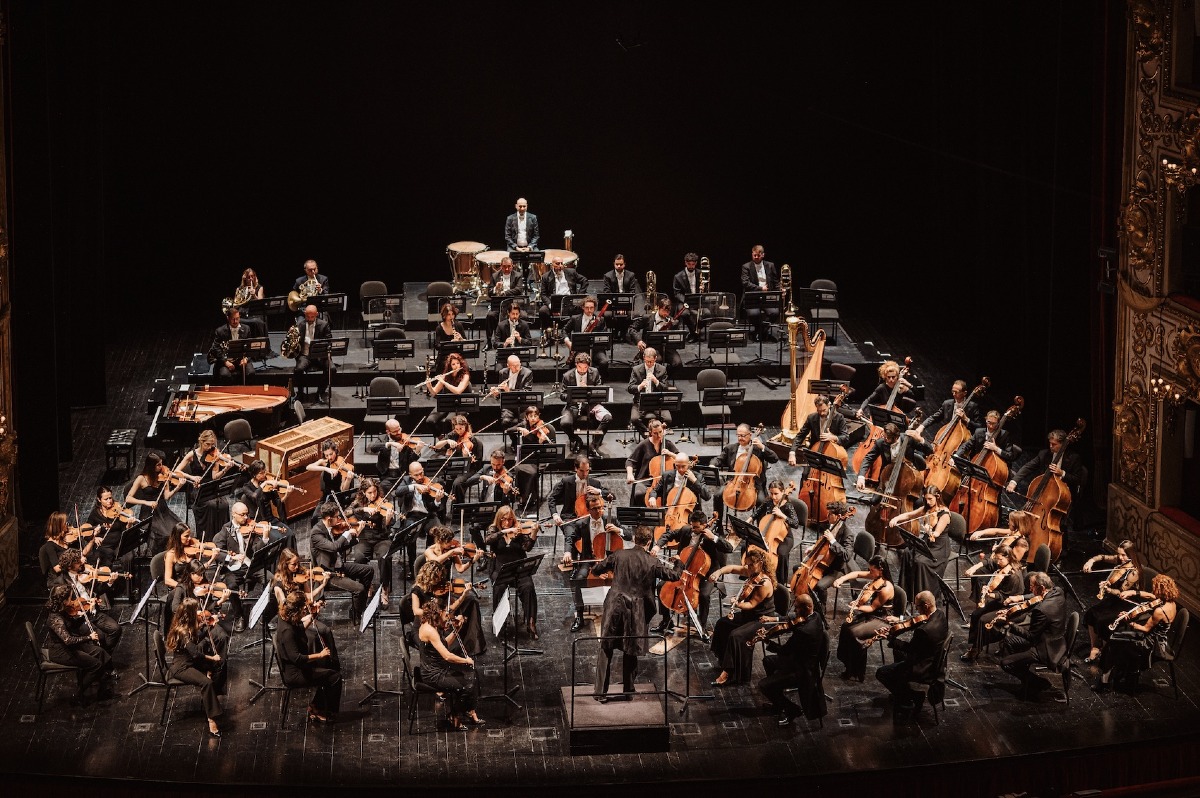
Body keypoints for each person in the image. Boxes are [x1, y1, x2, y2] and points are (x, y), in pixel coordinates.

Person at [591, 526, 681, 702]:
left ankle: (600, 692)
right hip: (636, 610)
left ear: (634, 540)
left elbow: (597, 569)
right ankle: (628, 690)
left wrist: (603, 571)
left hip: (615, 606)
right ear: (649, 543)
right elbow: (674, 575)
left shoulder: (619, 554)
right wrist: (678, 561)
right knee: (630, 649)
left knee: (606, 647)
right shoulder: (652, 561)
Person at [1095, 573, 1179, 692]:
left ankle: (1105, 680)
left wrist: (1129, 620)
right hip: (1160, 638)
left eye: (1155, 588)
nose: (1153, 590)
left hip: (1150, 643)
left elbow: (1145, 629)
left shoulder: (1160, 611)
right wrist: (1133, 592)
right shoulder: (1171, 603)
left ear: (1160, 590)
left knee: (1113, 641)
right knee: (1118, 638)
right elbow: (1150, 596)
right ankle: (1115, 673)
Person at [653, 509, 732, 635]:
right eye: (691, 525)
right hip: (684, 567)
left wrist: (714, 538)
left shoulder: (710, 537)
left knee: (704, 595)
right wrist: (657, 546)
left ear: (704, 525)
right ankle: (666, 621)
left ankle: (702, 626)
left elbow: (729, 548)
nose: (692, 528)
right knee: (661, 586)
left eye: (696, 527)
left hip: (706, 572)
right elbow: (668, 535)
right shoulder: (686, 530)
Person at [707, 546, 776, 685]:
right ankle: (724, 660)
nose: (748, 568)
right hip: (749, 615)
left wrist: (737, 603)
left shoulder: (764, 583)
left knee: (736, 635)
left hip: (762, 619)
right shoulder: (752, 572)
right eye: (747, 564)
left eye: (751, 565)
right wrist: (718, 572)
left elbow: (751, 604)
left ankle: (731, 674)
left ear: (760, 563)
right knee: (722, 623)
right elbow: (732, 568)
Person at [875, 590, 949, 717]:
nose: (916, 609)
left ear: (926, 606)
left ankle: (911, 697)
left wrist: (890, 639)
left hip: (924, 667)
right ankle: (902, 688)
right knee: (897, 656)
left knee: (882, 673)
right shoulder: (940, 615)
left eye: (917, 606)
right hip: (934, 659)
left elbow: (910, 648)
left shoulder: (924, 631)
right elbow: (917, 620)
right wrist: (900, 620)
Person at [758, 592, 827, 725]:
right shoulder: (816, 616)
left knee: (764, 685)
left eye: (797, 608)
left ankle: (792, 709)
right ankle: (778, 702)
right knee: (768, 661)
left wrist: (767, 641)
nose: (795, 611)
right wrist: (775, 621)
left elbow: (784, 651)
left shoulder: (804, 631)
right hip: (801, 660)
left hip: (802, 670)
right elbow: (794, 620)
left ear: (807, 608)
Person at [560, 494, 627, 632]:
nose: (599, 511)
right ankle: (579, 616)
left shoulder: (611, 519)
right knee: (578, 579)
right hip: (589, 560)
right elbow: (570, 538)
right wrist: (567, 552)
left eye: (601, 508)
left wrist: (618, 530)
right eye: (595, 509)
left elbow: (629, 534)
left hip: (610, 562)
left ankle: (622, 615)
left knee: (624, 579)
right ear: (588, 510)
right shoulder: (581, 523)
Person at [998, 571, 1068, 700]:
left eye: (1032, 586)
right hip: (1057, 639)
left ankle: (1038, 683)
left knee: (1006, 663)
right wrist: (1023, 599)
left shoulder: (1041, 610)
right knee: (1008, 642)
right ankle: (1027, 679)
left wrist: (1010, 624)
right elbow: (1036, 597)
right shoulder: (1058, 591)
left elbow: (1031, 637)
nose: (1030, 589)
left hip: (1045, 648)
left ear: (1041, 588)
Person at [414, 534, 487, 657]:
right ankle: (449, 647)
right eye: (448, 542)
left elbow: (460, 569)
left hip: (447, 587)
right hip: (433, 588)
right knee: (448, 611)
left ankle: (473, 645)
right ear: (440, 541)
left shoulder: (452, 552)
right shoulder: (430, 552)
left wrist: (472, 560)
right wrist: (452, 552)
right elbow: (436, 561)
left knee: (471, 602)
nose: (451, 544)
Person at [275, 590, 342, 723]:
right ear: (296, 610)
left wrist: (313, 615)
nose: (306, 609)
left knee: (331, 664)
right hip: (296, 673)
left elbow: (299, 628)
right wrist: (319, 654)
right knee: (335, 677)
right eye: (304, 608)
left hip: (301, 666)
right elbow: (297, 658)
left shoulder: (286, 617)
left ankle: (316, 705)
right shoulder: (287, 631)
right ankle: (321, 710)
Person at [417, 597, 484, 728]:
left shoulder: (432, 626)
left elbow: (444, 644)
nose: (447, 618)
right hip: (434, 675)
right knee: (468, 684)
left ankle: (468, 711)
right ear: (438, 613)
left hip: (439, 668)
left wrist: (456, 630)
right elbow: (447, 656)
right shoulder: (430, 631)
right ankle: (455, 715)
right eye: (445, 614)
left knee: (472, 674)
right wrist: (466, 660)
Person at [165, 598, 226, 737]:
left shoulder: (187, 626)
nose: (199, 612)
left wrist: (209, 625)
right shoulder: (182, 631)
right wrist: (212, 658)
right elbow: (196, 654)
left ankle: (211, 702)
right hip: (182, 667)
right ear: (190, 614)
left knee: (217, 668)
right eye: (196, 610)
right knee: (207, 682)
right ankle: (212, 719)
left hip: (190, 661)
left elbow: (197, 637)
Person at [44, 585, 114, 706]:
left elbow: (73, 625)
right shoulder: (55, 618)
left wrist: (84, 612)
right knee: (96, 665)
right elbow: (68, 640)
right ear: (64, 601)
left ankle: (102, 690)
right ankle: (78, 694)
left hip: (69, 647)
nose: (72, 602)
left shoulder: (62, 610)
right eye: (70, 599)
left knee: (100, 652)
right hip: (60, 651)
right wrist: (89, 637)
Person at [833, 554, 895, 681]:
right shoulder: (876, 575)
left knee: (854, 633)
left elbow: (872, 608)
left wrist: (857, 607)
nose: (870, 572)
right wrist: (841, 579)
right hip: (871, 614)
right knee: (845, 626)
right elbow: (856, 574)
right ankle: (849, 665)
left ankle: (857, 672)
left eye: (872, 570)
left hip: (882, 619)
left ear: (881, 569)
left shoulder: (886, 589)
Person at [272, 549, 340, 666]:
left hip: (304, 612)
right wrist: (307, 617)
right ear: (285, 564)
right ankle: (315, 664)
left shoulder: (301, 574)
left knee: (326, 631)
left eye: (298, 563)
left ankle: (332, 663)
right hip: (293, 620)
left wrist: (321, 588)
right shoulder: (278, 585)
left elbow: (308, 597)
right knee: (314, 635)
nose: (297, 566)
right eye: (294, 564)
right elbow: (286, 611)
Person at [308, 501, 375, 618]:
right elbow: (334, 547)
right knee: (359, 589)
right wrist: (346, 534)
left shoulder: (330, 528)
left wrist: (356, 534)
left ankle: (358, 606)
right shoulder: (316, 533)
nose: (339, 519)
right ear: (329, 518)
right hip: (328, 573)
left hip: (338, 565)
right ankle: (358, 614)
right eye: (337, 517)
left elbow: (341, 546)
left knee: (368, 570)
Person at [483, 506, 540, 641]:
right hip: (500, 569)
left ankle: (530, 623)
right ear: (499, 519)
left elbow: (527, 547)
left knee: (528, 587)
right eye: (504, 520)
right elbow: (487, 540)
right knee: (498, 588)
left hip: (519, 569)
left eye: (510, 519)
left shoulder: (519, 531)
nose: (507, 522)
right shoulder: (494, 529)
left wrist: (533, 533)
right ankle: (499, 622)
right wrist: (505, 531)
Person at [1082, 539, 1142, 663]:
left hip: (1126, 602)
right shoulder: (1120, 560)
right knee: (1091, 613)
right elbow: (1102, 557)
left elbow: (1121, 592)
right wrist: (1090, 561)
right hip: (1114, 599)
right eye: (1119, 554)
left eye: (1123, 555)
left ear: (1131, 555)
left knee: (1103, 620)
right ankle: (1094, 646)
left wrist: (1107, 589)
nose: (1120, 557)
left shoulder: (1134, 572)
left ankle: (1104, 649)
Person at [960, 545, 1024, 662]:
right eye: (997, 559)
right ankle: (975, 644)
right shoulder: (1002, 564)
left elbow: (1005, 596)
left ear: (1009, 558)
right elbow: (989, 562)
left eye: (1000, 559)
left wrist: (989, 594)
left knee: (983, 619)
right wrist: (973, 568)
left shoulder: (1013, 576)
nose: (998, 562)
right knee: (975, 615)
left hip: (1009, 606)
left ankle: (976, 649)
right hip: (1000, 602)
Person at [800, 500, 864, 615]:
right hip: (824, 562)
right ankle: (807, 604)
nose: (827, 516)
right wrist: (814, 547)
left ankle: (821, 612)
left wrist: (833, 541)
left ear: (838, 516)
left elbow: (847, 556)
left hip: (837, 568)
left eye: (830, 514)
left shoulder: (847, 534)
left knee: (820, 586)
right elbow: (824, 543)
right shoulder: (832, 525)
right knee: (799, 569)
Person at [888, 485, 952, 598]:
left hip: (939, 547)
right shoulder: (926, 508)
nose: (927, 502)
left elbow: (935, 535)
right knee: (907, 553)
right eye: (926, 499)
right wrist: (896, 519)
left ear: (937, 497)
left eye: (930, 499)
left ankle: (923, 595)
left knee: (920, 562)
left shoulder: (944, 515)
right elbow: (909, 515)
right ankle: (907, 592)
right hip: (927, 542)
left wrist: (929, 532)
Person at [392, 461, 449, 580]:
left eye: (421, 473)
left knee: (438, 532)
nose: (420, 477)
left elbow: (432, 507)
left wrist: (437, 501)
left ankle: (430, 564)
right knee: (409, 534)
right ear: (410, 474)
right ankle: (413, 566)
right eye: (416, 475)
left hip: (428, 515)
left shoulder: (430, 481)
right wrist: (414, 486)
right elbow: (397, 492)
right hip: (411, 515)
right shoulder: (406, 480)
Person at [175, 429, 235, 539]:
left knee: (225, 505)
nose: (210, 447)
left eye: (212, 444)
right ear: (201, 442)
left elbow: (214, 477)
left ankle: (221, 536)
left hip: (211, 486)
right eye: (207, 444)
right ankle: (207, 537)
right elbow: (176, 471)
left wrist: (226, 469)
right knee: (211, 506)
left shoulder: (214, 455)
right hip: (197, 489)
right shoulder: (191, 455)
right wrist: (192, 477)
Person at [347, 478, 396, 611]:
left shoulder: (384, 502)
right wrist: (364, 509)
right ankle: (367, 585)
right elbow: (346, 513)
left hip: (381, 537)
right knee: (359, 557)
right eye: (369, 493)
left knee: (385, 556)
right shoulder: (358, 502)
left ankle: (385, 589)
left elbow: (387, 528)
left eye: (374, 492)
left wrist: (388, 520)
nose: (373, 495)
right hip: (364, 538)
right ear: (363, 492)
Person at [711, 423, 778, 518]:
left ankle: (760, 530)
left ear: (750, 435)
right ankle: (718, 525)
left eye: (743, 436)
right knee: (717, 495)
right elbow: (718, 459)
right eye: (738, 435)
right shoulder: (731, 448)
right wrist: (712, 464)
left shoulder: (758, 449)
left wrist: (762, 447)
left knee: (762, 501)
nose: (740, 438)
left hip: (754, 484)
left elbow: (774, 459)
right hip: (733, 482)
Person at [1005, 428, 1087, 500]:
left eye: (1054, 444)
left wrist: (1062, 473)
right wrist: (1013, 482)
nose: (1051, 446)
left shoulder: (1074, 458)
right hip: (1044, 492)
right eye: (1050, 443)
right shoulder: (1044, 454)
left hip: (1063, 497)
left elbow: (1077, 480)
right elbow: (1028, 467)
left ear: (1063, 445)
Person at [559, 352, 612, 456]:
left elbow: (599, 390)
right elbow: (562, 395)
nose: (582, 370)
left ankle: (594, 444)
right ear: (576, 364)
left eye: (585, 367)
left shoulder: (595, 372)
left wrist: (587, 389)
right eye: (580, 367)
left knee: (608, 417)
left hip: (591, 404)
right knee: (564, 423)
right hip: (573, 405)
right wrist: (573, 394)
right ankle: (576, 440)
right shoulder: (567, 376)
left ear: (588, 366)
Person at [750, 479, 801, 585]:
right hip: (768, 533)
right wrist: (748, 520)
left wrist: (782, 515)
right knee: (750, 546)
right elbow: (757, 512)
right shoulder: (768, 501)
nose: (773, 497)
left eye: (776, 494)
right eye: (771, 493)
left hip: (784, 537)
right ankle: (752, 574)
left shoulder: (788, 505)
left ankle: (781, 583)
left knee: (781, 554)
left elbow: (795, 523)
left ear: (783, 492)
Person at [855, 422, 933, 490]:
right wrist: (861, 477)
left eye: (887, 438)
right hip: (887, 476)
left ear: (896, 437)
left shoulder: (908, 439)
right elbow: (868, 458)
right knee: (874, 501)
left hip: (908, 477)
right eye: (883, 436)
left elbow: (929, 451)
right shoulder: (880, 443)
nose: (884, 439)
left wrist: (920, 439)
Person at [511, 405, 556, 512]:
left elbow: (553, 447)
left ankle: (530, 498)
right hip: (527, 457)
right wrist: (519, 428)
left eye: (535, 416)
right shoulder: (525, 425)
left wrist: (542, 442)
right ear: (526, 417)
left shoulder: (546, 428)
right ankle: (521, 496)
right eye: (531, 416)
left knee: (531, 473)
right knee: (518, 468)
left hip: (541, 458)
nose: (533, 418)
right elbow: (508, 430)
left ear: (538, 416)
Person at [625, 418, 679, 506]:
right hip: (645, 480)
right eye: (655, 433)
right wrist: (630, 474)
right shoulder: (644, 445)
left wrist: (670, 453)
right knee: (639, 494)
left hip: (664, 480)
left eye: (660, 432)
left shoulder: (667, 444)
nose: (659, 435)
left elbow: (681, 458)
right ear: (650, 432)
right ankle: (642, 516)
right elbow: (630, 461)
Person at [788, 394, 850, 466]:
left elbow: (846, 437)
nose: (822, 413)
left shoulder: (839, 417)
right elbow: (800, 436)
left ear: (829, 405)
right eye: (819, 411)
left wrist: (834, 437)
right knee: (805, 475)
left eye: (824, 410)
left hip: (832, 452)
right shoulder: (811, 418)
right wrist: (792, 452)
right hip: (815, 450)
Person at [647, 451, 712, 519]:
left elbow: (707, 496)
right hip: (669, 512)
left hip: (690, 516)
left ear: (688, 464)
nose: (680, 469)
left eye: (683, 466)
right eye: (677, 466)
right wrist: (652, 497)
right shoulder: (667, 475)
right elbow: (655, 490)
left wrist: (694, 481)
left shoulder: (697, 476)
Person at [548, 455, 609, 527]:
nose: (585, 474)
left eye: (587, 470)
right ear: (576, 468)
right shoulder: (566, 481)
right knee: (571, 536)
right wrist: (555, 515)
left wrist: (599, 491)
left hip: (590, 517)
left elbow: (611, 496)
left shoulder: (595, 483)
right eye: (582, 471)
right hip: (569, 517)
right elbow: (552, 498)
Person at [237, 460, 291, 540]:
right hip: (260, 522)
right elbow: (255, 496)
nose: (264, 474)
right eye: (261, 473)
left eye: (265, 471)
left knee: (290, 534)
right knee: (277, 538)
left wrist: (287, 494)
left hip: (271, 519)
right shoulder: (246, 487)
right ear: (254, 474)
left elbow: (278, 502)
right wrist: (263, 484)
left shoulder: (268, 486)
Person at [490, 354, 534, 450]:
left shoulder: (527, 373)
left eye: (518, 365)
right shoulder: (503, 373)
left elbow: (526, 392)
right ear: (508, 365)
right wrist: (496, 394)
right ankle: (514, 441)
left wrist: (508, 390)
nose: (517, 367)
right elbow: (501, 395)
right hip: (508, 405)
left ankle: (527, 443)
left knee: (525, 422)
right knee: (505, 422)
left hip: (523, 406)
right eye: (514, 366)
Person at [293, 304, 336, 402]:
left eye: (312, 316)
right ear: (305, 314)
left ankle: (320, 391)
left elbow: (329, 341)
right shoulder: (300, 325)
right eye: (307, 316)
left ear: (316, 314)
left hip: (320, 355)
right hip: (305, 356)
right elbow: (295, 343)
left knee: (332, 369)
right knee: (298, 370)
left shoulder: (324, 325)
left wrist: (315, 344)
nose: (310, 318)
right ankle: (300, 392)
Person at [914, 380, 983, 440]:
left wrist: (966, 419)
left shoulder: (973, 407)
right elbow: (934, 417)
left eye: (956, 392)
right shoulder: (947, 404)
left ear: (964, 393)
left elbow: (979, 427)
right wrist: (922, 426)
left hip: (962, 438)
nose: (953, 394)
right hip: (946, 434)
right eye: (953, 391)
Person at [627, 347, 673, 435]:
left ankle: (655, 435)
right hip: (640, 402)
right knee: (634, 419)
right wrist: (640, 386)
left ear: (655, 359)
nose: (649, 364)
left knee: (668, 419)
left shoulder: (662, 369)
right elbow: (630, 388)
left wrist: (656, 381)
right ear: (644, 358)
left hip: (657, 402)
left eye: (651, 362)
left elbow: (665, 388)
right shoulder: (636, 369)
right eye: (647, 361)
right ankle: (650, 436)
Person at [368, 419, 426, 490]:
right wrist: (390, 443)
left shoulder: (406, 440)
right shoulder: (382, 438)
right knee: (381, 490)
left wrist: (417, 451)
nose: (399, 433)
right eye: (395, 431)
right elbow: (373, 448)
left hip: (402, 474)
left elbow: (411, 461)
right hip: (386, 475)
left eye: (399, 429)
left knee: (405, 492)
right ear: (388, 432)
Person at [740, 244, 779, 342]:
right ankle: (761, 331)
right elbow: (745, 283)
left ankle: (760, 331)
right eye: (754, 255)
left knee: (774, 313)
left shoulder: (770, 265)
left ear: (763, 255)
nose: (756, 257)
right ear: (752, 254)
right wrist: (760, 288)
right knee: (753, 314)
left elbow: (775, 281)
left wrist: (780, 290)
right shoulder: (746, 267)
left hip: (767, 297)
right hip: (753, 297)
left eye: (758, 255)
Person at [537, 255, 588, 331]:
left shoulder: (571, 272)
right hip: (554, 302)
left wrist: (578, 295)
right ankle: (547, 332)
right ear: (552, 265)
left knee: (581, 308)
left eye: (561, 263)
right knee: (543, 311)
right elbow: (543, 294)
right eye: (557, 264)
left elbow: (584, 281)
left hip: (570, 301)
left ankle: (577, 332)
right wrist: (550, 306)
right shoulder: (546, 277)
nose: (560, 266)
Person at [424, 353, 472, 433]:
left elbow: (458, 391)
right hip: (447, 403)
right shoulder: (445, 376)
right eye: (453, 364)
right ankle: (441, 438)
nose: (456, 366)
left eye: (458, 363)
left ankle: (450, 441)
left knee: (449, 421)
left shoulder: (465, 376)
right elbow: (434, 393)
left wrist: (444, 382)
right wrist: (429, 386)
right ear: (450, 366)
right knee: (430, 421)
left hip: (460, 405)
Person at [562, 295, 610, 372]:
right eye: (587, 308)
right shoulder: (575, 318)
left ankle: (599, 381)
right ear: (583, 307)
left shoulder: (600, 320)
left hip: (596, 350)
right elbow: (564, 330)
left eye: (591, 308)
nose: (589, 310)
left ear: (594, 308)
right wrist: (567, 341)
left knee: (604, 362)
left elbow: (604, 336)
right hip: (579, 349)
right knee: (573, 365)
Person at [486, 257, 526, 342]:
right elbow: (489, 293)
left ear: (512, 266)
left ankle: (521, 339)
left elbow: (519, 289)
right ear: (501, 266)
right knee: (490, 316)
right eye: (504, 266)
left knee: (523, 315)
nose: (507, 269)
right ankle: (489, 342)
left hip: (514, 305)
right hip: (499, 305)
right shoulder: (495, 276)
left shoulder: (518, 275)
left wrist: (505, 293)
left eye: (509, 266)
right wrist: (495, 288)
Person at [209, 308, 255, 381]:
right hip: (227, 360)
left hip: (241, 359)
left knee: (251, 373)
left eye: (237, 318)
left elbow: (249, 346)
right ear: (228, 318)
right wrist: (225, 362)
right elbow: (216, 348)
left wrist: (246, 359)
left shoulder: (246, 329)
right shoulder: (220, 331)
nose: (235, 321)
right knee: (225, 375)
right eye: (233, 319)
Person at [601, 253, 641, 336]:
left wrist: (623, 306)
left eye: (621, 264)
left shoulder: (631, 275)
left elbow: (632, 291)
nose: (619, 266)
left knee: (632, 314)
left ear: (624, 264)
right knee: (608, 315)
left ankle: (624, 332)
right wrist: (617, 307)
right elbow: (607, 292)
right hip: (613, 304)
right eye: (617, 264)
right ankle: (614, 332)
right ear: (614, 264)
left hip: (627, 303)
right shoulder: (607, 276)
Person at [306, 439, 356, 503]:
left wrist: (348, 479)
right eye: (326, 455)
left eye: (331, 454)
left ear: (335, 451)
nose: (329, 457)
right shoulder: (324, 462)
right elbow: (308, 467)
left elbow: (343, 490)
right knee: (316, 513)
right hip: (326, 497)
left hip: (338, 498)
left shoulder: (341, 463)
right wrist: (326, 469)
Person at [668, 252, 702, 340]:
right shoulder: (678, 276)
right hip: (684, 302)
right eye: (689, 264)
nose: (691, 266)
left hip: (699, 301)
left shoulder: (700, 273)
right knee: (685, 313)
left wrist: (703, 289)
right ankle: (693, 332)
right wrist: (686, 300)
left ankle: (696, 331)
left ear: (696, 263)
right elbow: (676, 293)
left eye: (693, 264)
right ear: (685, 263)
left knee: (707, 313)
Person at [432, 302, 468, 372]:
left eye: (453, 314)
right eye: (448, 314)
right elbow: (437, 345)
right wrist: (450, 343)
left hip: (457, 354)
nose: (451, 317)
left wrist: (461, 339)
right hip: (445, 356)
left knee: (465, 366)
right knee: (446, 366)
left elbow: (465, 341)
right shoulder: (439, 328)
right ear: (444, 315)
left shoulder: (458, 325)